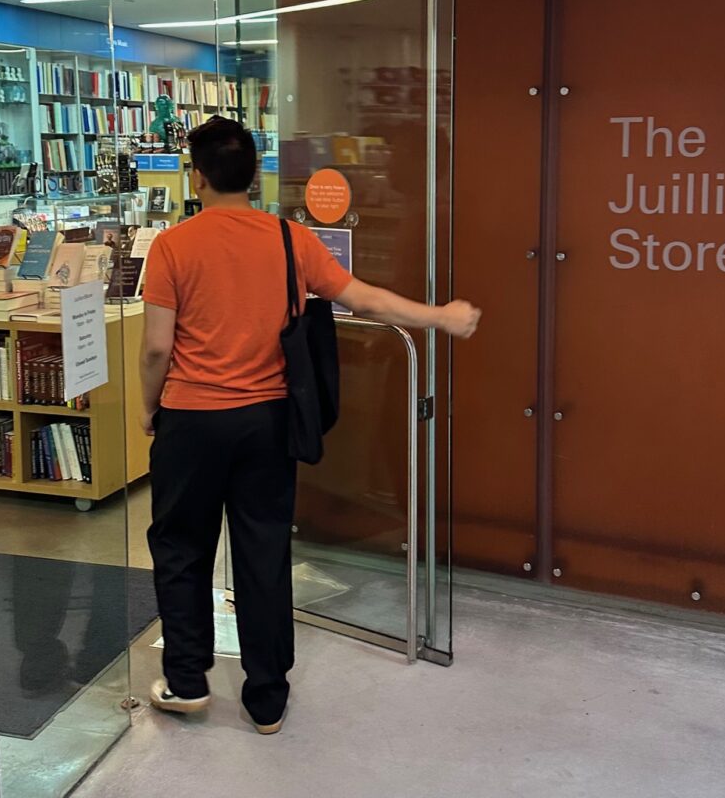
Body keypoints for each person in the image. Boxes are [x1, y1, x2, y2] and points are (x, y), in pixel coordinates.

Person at [140, 117, 480, 734]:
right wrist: (441, 316)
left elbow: (157, 347)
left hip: (191, 421)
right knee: (264, 550)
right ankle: (267, 697)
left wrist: (148, 407)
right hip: (267, 421)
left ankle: (187, 682)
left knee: (181, 548)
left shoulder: (172, 245)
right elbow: (365, 299)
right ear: (254, 176)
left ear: (197, 176)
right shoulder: (289, 239)